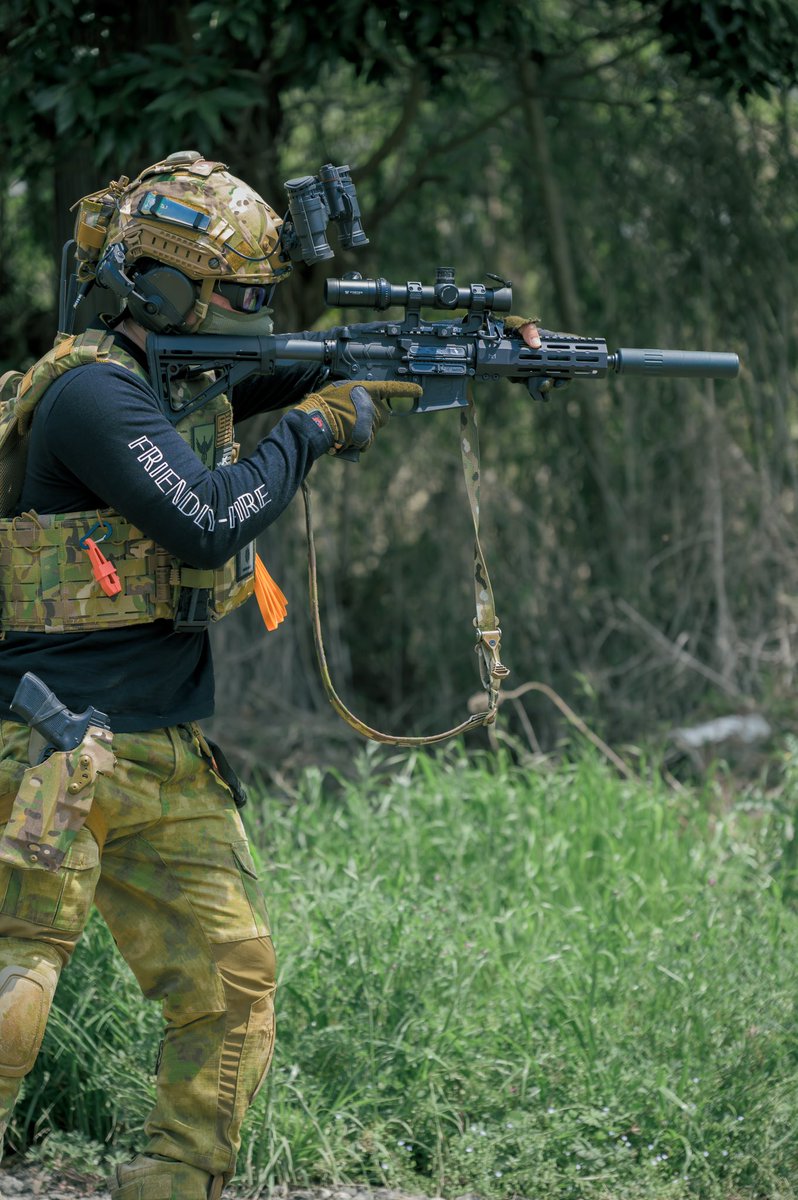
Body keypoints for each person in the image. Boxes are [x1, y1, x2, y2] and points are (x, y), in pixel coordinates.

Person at [0, 150, 540, 1199]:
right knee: (17, 982)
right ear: (162, 284)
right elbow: (208, 514)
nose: (252, 310)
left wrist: (450, 356)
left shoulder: (183, 375)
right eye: (234, 292)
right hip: (53, 745)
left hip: (165, 748)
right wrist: (310, 427)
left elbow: (320, 361)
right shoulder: (91, 397)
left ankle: (178, 1180)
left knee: (232, 984)